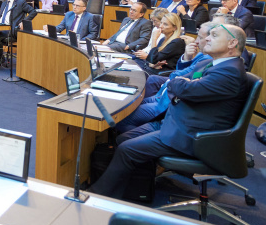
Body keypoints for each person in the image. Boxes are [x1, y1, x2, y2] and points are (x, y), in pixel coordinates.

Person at [91, 24, 249, 199]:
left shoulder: (229, 72)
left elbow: (182, 88)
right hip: (178, 121)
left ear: (232, 43)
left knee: (127, 149)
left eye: (214, 35)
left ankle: (98, 195)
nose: (207, 39)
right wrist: (181, 83)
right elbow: (180, 81)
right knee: (123, 137)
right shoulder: (211, 63)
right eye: (208, 34)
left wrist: (180, 84)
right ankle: (137, 190)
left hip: (194, 135)